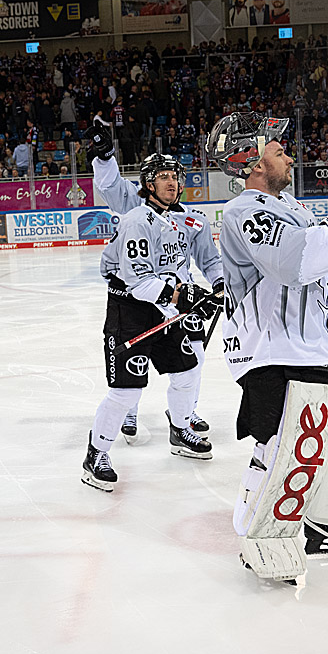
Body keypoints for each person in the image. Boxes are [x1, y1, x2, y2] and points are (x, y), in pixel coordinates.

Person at [206, 112, 328, 582]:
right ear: (249, 159)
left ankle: (327, 512)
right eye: (275, 145)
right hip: (274, 353)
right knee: (286, 446)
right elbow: (294, 262)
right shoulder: (243, 212)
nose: (286, 150)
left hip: (315, 347)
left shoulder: (297, 209)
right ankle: (259, 532)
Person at [80, 150, 218, 492]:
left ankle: (180, 428)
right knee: (126, 392)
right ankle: (96, 453)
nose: (172, 182)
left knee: (188, 371)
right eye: (163, 176)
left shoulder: (186, 220)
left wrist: (215, 289)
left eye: (175, 177)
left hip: (169, 308)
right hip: (132, 311)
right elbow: (140, 281)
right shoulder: (137, 221)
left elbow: (204, 262)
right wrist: (183, 297)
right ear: (148, 184)